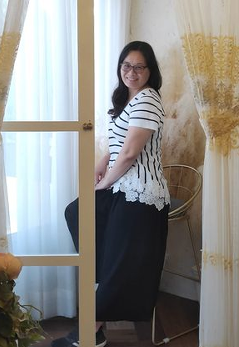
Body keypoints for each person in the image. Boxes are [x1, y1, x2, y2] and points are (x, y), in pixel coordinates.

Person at [51, 41, 170, 347]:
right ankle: (100, 285)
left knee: (116, 260)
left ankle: (91, 331)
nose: (132, 72)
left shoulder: (148, 99)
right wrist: (102, 163)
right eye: (126, 66)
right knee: (77, 212)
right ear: (120, 68)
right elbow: (119, 143)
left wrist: (103, 183)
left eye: (139, 67)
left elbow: (130, 153)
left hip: (141, 194)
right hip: (122, 187)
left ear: (150, 71)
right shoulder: (127, 98)